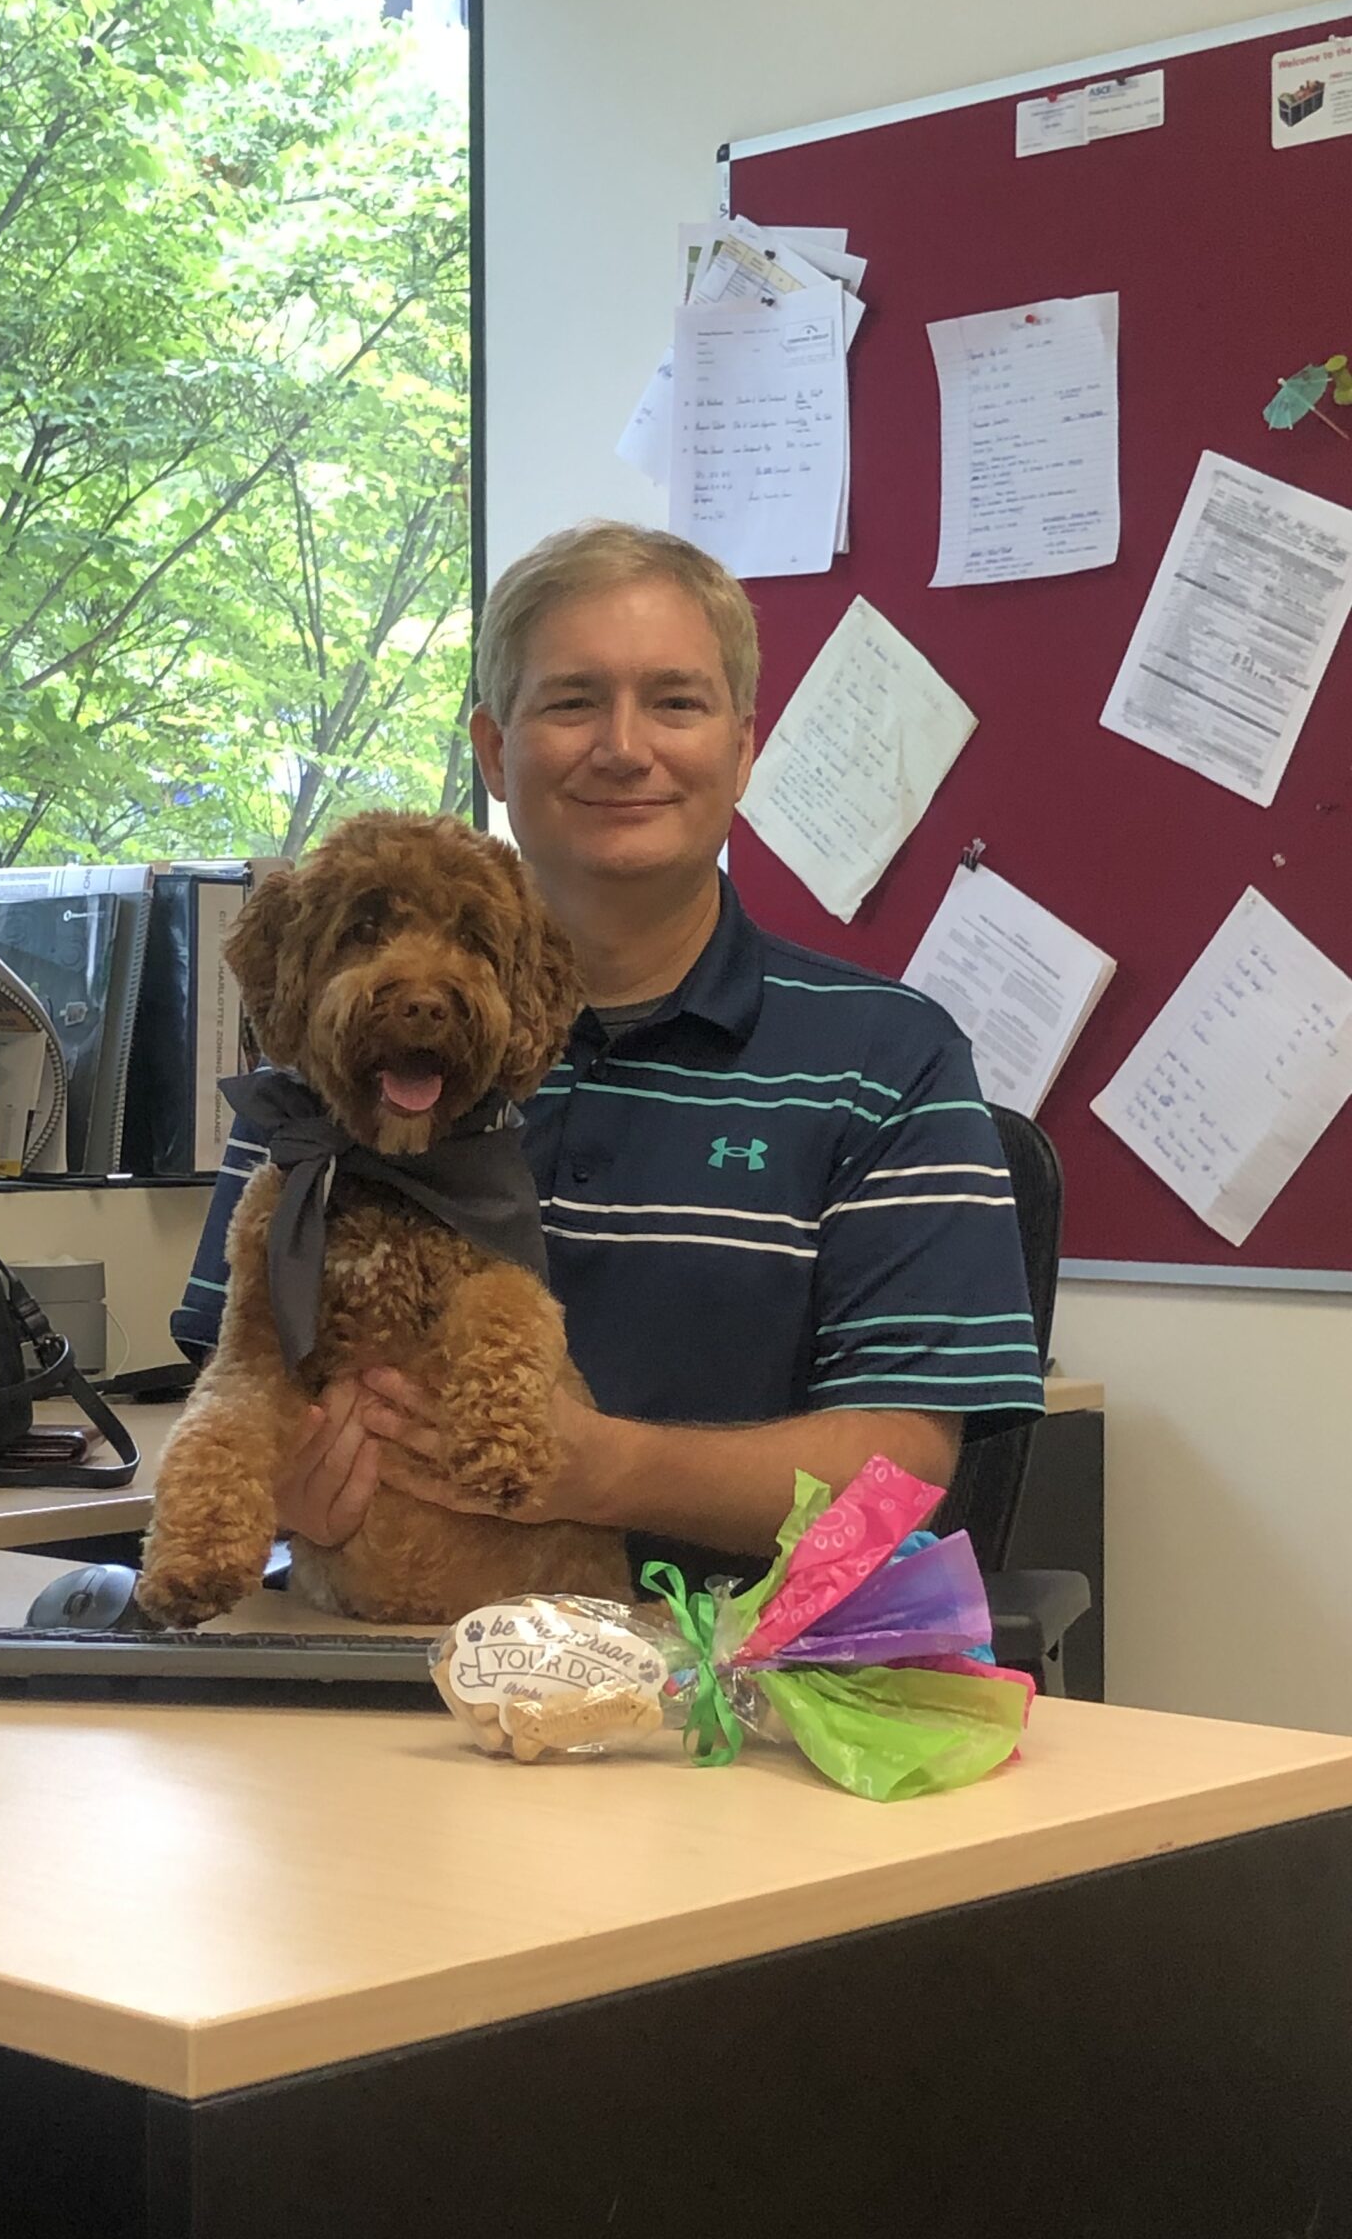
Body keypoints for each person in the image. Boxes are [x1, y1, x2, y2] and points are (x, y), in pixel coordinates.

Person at [171, 520, 1040, 1581]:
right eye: (573, 700)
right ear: (496, 749)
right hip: (364, 1673)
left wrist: (599, 1470)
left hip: (718, 1692)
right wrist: (286, 1486)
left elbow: (897, 1494)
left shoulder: (888, 1062)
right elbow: (238, 1375)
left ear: (743, 749)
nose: (624, 748)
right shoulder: (329, 1058)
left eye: (676, 702)